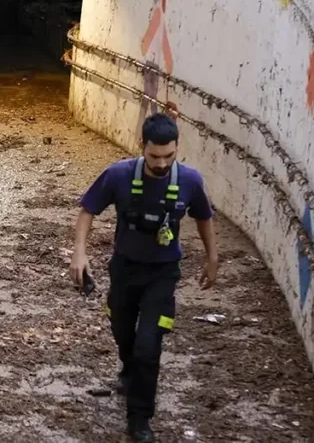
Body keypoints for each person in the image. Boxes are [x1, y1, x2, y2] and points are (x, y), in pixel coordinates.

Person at [69, 113, 219, 442]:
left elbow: (204, 217)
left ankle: (139, 419)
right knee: (123, 328)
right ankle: (128, 368)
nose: (162, 164)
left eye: (169, 156)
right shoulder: (119, 175)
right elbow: (87, 210)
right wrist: (80, 252)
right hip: (124, 268)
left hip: (163, 274)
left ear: (177, 148)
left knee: (149, 345)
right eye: (154, 156)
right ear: (143, 147)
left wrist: (212, 257)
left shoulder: (190, 181)